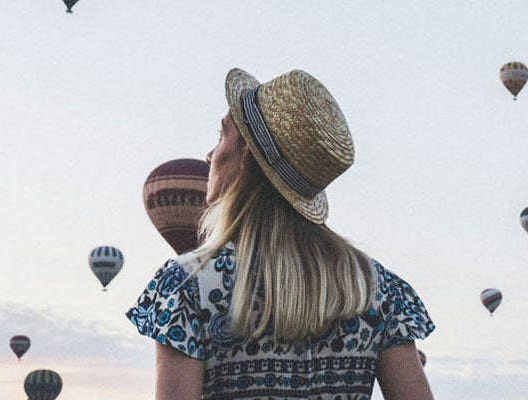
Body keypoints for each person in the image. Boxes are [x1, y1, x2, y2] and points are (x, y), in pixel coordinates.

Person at [127, 68, 435, 400]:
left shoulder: (186, 287)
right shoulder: (378, 289)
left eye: (221, 136)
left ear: (246, 155)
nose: (210, 155)